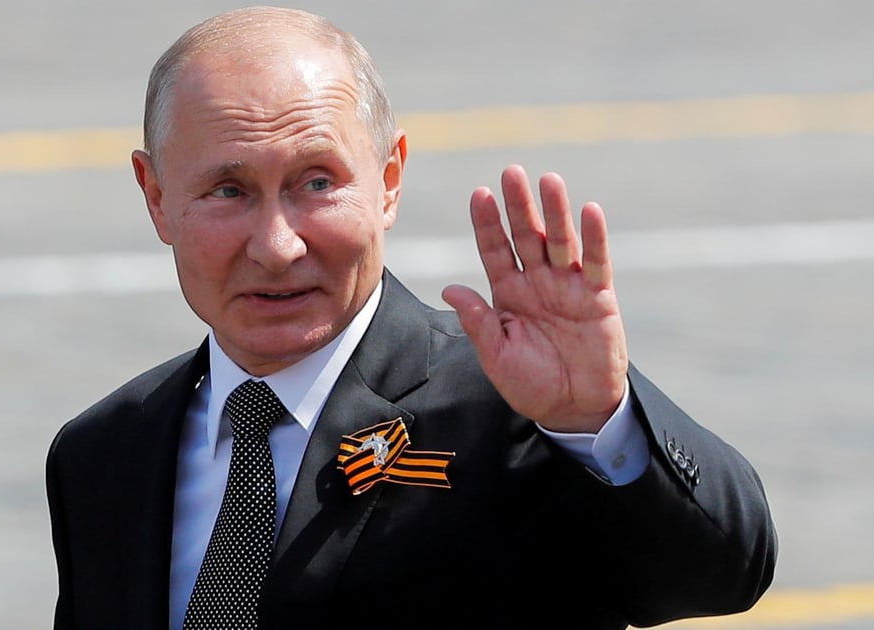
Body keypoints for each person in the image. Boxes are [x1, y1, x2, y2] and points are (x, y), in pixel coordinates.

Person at [46, 6, 777, 630]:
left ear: (389, 181)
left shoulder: (511, 411)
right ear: (156, 197)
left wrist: (600, 420)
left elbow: (722, 574)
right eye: (228, 190)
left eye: (317, 182)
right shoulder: (102, 457)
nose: (276, 246)